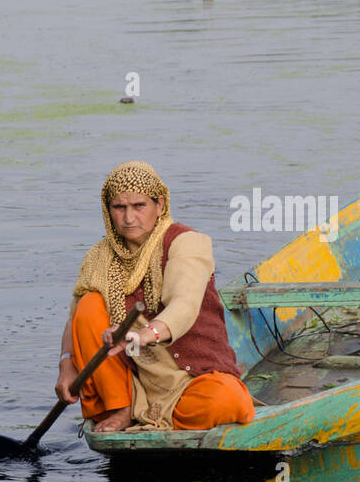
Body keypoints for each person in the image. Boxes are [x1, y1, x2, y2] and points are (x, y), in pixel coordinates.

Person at [55, 161, 254, 433]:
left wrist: (144, 335)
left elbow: (184, 303)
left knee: (230, 401)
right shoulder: (98, 258)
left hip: (189, 376)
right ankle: (120, 408)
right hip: (130, 379)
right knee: (88, 303)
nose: (129, 218)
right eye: (119, 207)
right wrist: (66, 366)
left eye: (139, 206)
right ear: (107, 210)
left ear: (159, 205)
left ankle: (155, 417)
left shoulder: (186, 243)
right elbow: (75, 320)